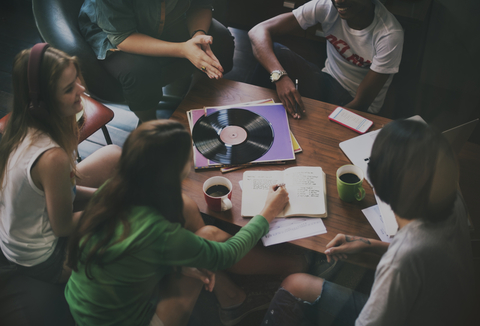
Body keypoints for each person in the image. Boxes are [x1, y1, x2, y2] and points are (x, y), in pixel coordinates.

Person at [65, 120, 308, 326]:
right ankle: (293, 266)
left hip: (84, 305)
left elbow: (131, 256)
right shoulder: (158, 231)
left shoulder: (116, 188)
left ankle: (233, 300)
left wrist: (179, 264)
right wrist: (268, 211)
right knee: (210, 236)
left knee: (195, 230)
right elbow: (227, 254)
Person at [261, 119, 475, 326]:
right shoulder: (451, 198)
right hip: (453, 304)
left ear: (382, 189)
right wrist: (367, 244)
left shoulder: (401, 261)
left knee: (294, 284)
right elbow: (427, 255)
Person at [0, 44, 121, 284]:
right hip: (44, 257)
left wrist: (103, 195)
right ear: (42, 103)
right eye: (68, 89)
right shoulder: (52, 158)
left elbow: (69, 192)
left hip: (34, 219)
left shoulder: (21, 124)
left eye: (76, 78)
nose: (81, 89)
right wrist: (112, 207)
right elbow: (63, 227)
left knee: (113, 154)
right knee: (127, 222)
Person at [78, 0, 235, 122]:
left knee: (221, 40)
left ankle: (191, 104)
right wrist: (183, 50)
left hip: (171, 20)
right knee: (140, 72)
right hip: (114, 32)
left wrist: (198, 36)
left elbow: (200, 5)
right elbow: (122, 36)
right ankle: (149, 123)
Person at [248, 0, 404, 118]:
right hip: (326, 81)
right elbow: (257, 31)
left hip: (354, 102)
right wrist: (279, 77)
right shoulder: (327, 6)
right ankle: (249, 115)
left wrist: (319, 124)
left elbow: (361, 103)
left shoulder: (389, 35)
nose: (339, 1)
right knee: (275, 53)